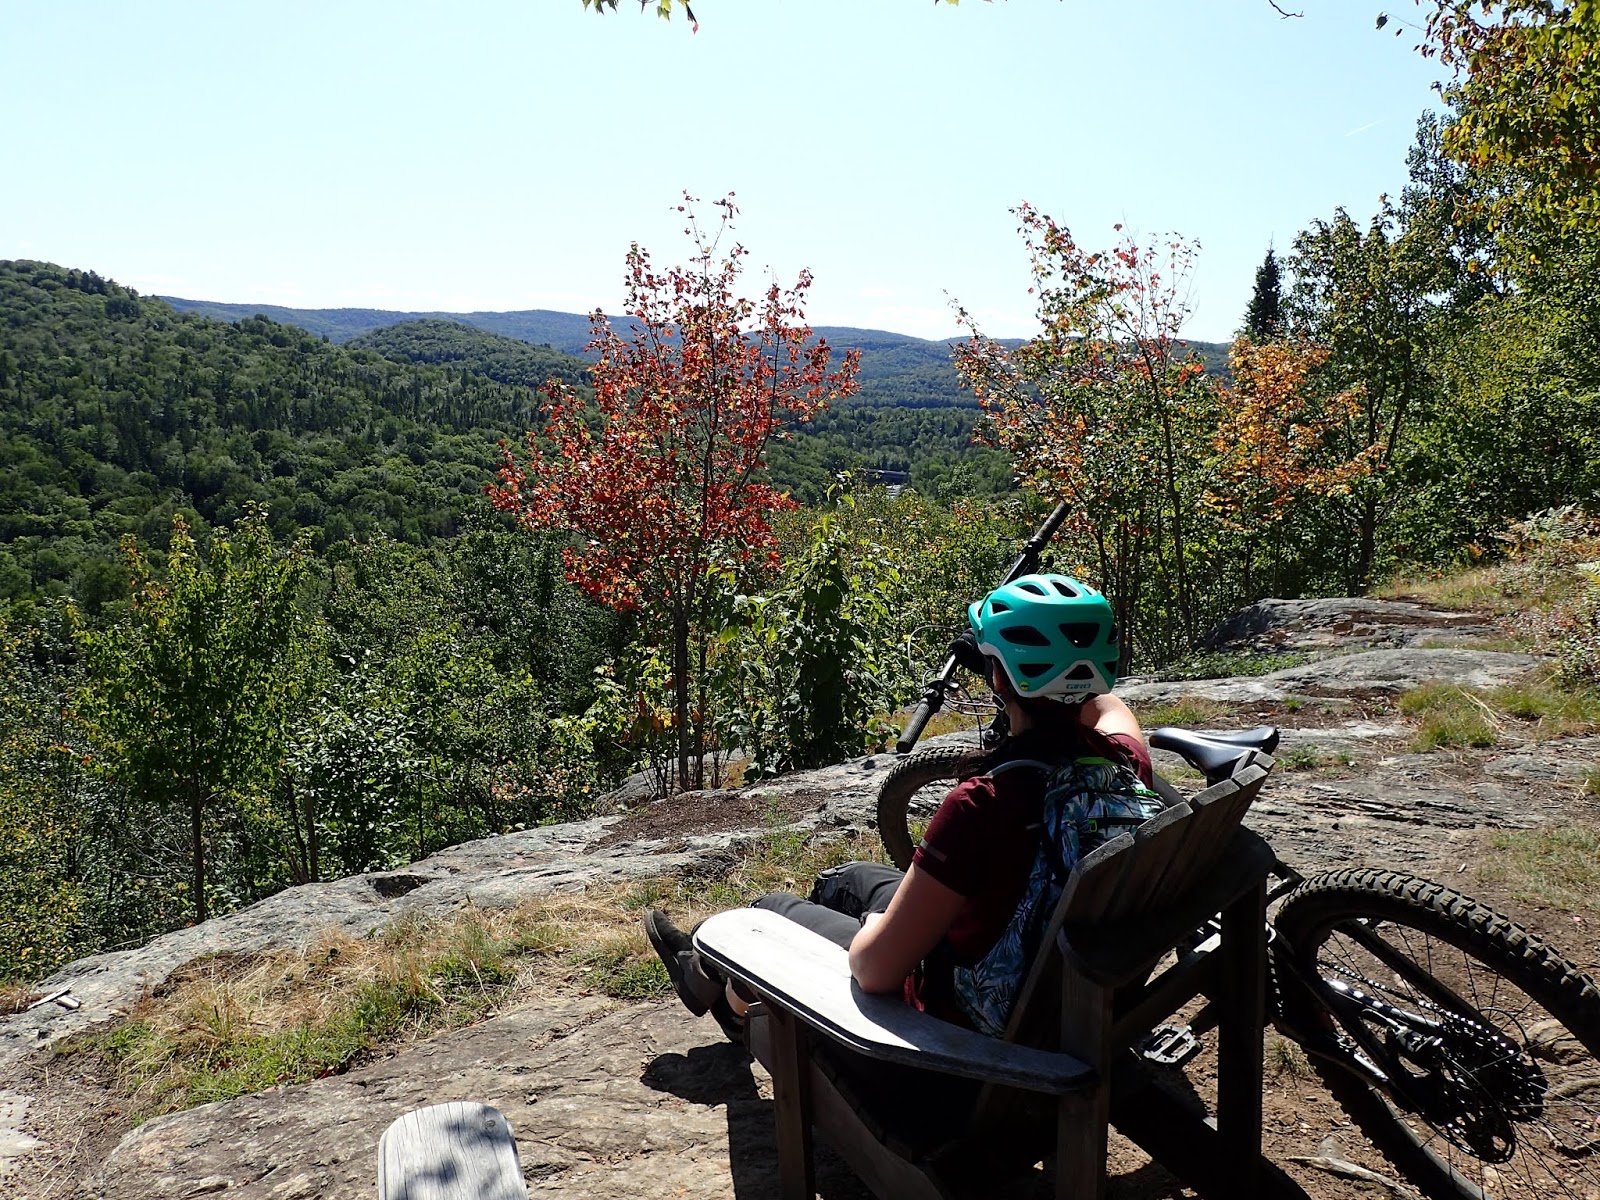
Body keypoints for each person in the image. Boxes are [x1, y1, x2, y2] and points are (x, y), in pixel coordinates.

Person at [644, 572, 1153, 1041]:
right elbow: (1106, 706)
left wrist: (874, 928)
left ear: (999, 680)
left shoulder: (982, 806)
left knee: (769, 911)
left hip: (957, 1034)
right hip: (1057, 999)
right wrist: (1022, 670)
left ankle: (727, 998)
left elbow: (874, 971)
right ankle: (717, 986)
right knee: (844, 881)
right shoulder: (1122, 766)